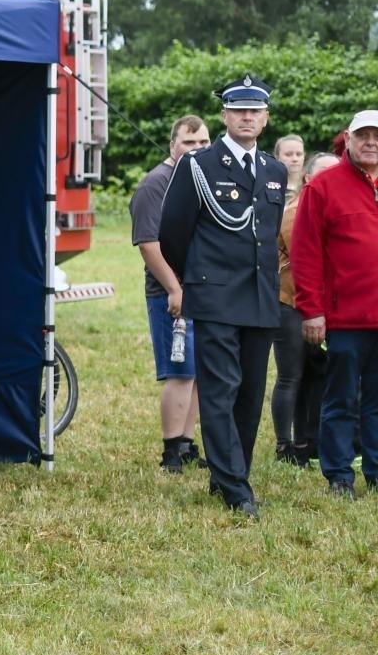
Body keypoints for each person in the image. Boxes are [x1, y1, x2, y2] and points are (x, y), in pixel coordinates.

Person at [158, 75, 287, 518]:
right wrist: (196, 279)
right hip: (215, 294)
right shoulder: (199, 165)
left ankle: (230, 475)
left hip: (259, 296)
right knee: (219, 390)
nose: (247, 116)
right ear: (224, 115)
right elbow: (172, 232)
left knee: (250, 393)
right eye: (238, 109)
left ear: (265, 118)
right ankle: (235, 486)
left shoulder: (274, 170)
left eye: (255, 110)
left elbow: (266, 237)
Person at [291, 113, 378, 498]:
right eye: (364, 136)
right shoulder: (324, 186)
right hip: (344, 318)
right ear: (349, 139)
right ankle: (339, 475)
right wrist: (311, 309)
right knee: (341, 399)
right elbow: (305, 253)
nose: (372, 142)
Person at [129, 115, 210, 473]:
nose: (196, 150)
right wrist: (174, 289)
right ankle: (170, 453)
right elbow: (148, 245)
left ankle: (187, 444)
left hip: (203, 290)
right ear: (172, 144)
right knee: (179, 372)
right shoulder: (154, 185)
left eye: (203, 143)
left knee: (198, 373)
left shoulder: (200, 180)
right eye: (189, 143)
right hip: (169, 293)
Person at [272, 150, 338, 466]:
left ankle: (309, 440)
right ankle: (284, 445)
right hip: (290, 302)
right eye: (324, 173)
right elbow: (306, 261)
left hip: (325, 306)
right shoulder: (294, 212)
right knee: (291, 376)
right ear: (309, 179)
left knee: (317, 376)